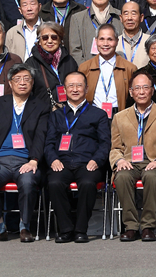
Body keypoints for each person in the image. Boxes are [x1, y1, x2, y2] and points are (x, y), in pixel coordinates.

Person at [0, 66, 49, 243]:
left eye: (26, 79)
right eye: (17, 79)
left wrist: (34, 160)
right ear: (10, 83)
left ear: (32, 82)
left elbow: (41, 136)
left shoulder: (41, 106)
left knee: (28, 182)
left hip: (26, 160)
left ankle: (25, 226)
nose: (22, 82)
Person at [110, 71, 156, 242]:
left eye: (145, 87)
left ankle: (148, 226)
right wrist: (119, 160)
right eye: (137, 88)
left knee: (151, 176)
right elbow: (115, 148)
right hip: (130, 162)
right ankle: (131, 227)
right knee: (122, 177)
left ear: (152, 90)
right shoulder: (119, 117)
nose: (141, 92)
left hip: (155, 161)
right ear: (131, 92)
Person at [44, 72, 110, 244]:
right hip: (62, 162)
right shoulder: (56, 115)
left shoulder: (98, 114)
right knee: (54, 183)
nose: (75, 89)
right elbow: (48, 143)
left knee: (88, 183)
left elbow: (105, 143)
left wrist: (96, 160)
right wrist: (53, 159)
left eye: (79, 85)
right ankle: (66, 230)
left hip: (87, 163)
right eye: (71, 86)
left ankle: (81, 230)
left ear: (86, 89)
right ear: (64, 89)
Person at [78, 25, 135, 115]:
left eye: (110, 39)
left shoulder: (129, 68)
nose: (105, 44)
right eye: (101, 39)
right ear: (96, 41)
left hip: (119, 115)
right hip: (92, 114)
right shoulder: (85, 68)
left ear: (117, 41)